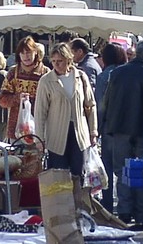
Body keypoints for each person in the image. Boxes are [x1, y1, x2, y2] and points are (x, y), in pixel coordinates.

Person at [101, 38, 143, 227]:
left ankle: (125, 212)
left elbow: (107, 101)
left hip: (119, 129)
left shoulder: (118, 73)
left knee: (123, 172)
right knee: (142, 172)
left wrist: (106, 125)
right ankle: (142, 215)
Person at [35, 42, 97, 208]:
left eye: (60, 61)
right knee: (59, 177)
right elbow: (40, 112)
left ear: (68, 60)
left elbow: (91, 105)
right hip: (57, 135)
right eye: (53, 61)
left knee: (79, 174)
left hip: (79, 133)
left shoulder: (81, 77)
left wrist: (93, 131)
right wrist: (39, 139)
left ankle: (79, 209)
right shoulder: (46, 81)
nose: (56, 65)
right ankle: (61, 212)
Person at [94, 43, 127, 212]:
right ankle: (124, 207)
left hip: (108, 126)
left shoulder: (104, 76)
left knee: (107, 166)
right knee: (123, 169)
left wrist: (96, 129)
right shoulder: (127, 73)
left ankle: (107, 205)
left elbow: (100, 106)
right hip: (126, 126)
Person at [0, 36, 50, 141]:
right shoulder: (13, 73)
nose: (26, 56)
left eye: (28, 52)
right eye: (22, 53)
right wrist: (17, 98)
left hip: (40, 130)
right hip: (16, 131)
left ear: (36, 52)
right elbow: (2, 100)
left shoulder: (46, 74)